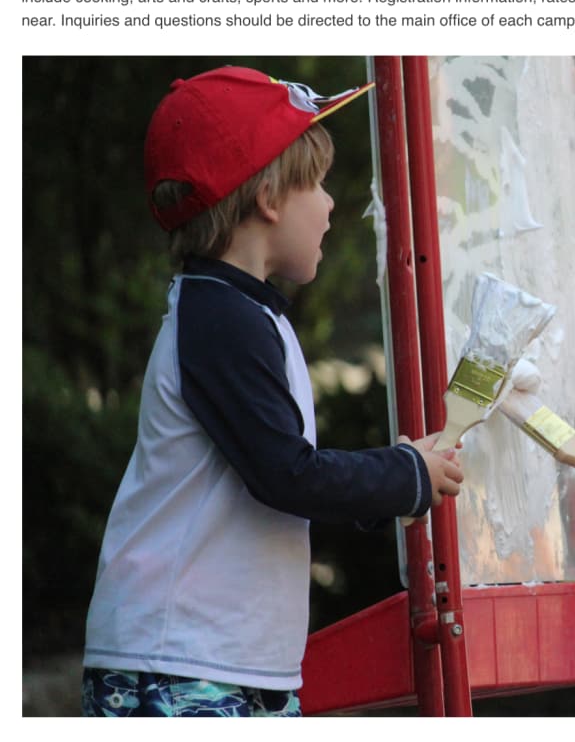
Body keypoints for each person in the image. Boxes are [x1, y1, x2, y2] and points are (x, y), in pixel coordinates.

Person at [82, 66, 464, 717]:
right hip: (175, 666)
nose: (331, 204)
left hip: (217, 662)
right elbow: (286, 475)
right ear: (268, 197)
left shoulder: (239, 311)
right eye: (315, 183)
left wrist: (397, 477)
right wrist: (403, 475)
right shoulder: (222, 317)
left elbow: (278, 465)